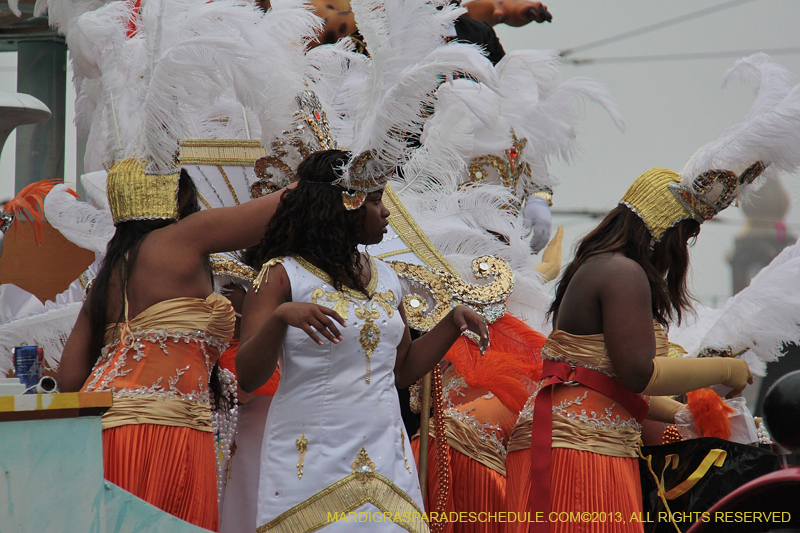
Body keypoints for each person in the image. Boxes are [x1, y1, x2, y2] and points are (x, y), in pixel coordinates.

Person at [235, 149, 490, 533]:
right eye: (375, 201)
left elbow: (402, 370)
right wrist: (280, 318)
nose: (386, 212)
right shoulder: (281, 274)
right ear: (343, 206)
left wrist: (451, 324)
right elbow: (249, 376)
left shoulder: (387, 276)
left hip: (387, 457)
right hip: (310, 458)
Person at [505, 167, 754, 533]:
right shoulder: (621, 271)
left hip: (584, 441)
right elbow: (639, 374)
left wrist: (683, 414)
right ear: (664, 227)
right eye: (684, 237)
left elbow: (608, 383)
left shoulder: (606, 266)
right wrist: (726, 369)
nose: (682, 251)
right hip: (576, 445)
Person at [58, 159, 289, 531]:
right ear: (177, 198)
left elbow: (70, 381)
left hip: (105, 429)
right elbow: (279, 208)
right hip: (163, 429)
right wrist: (333, 172)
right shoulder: (184, 238)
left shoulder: (108, 275)